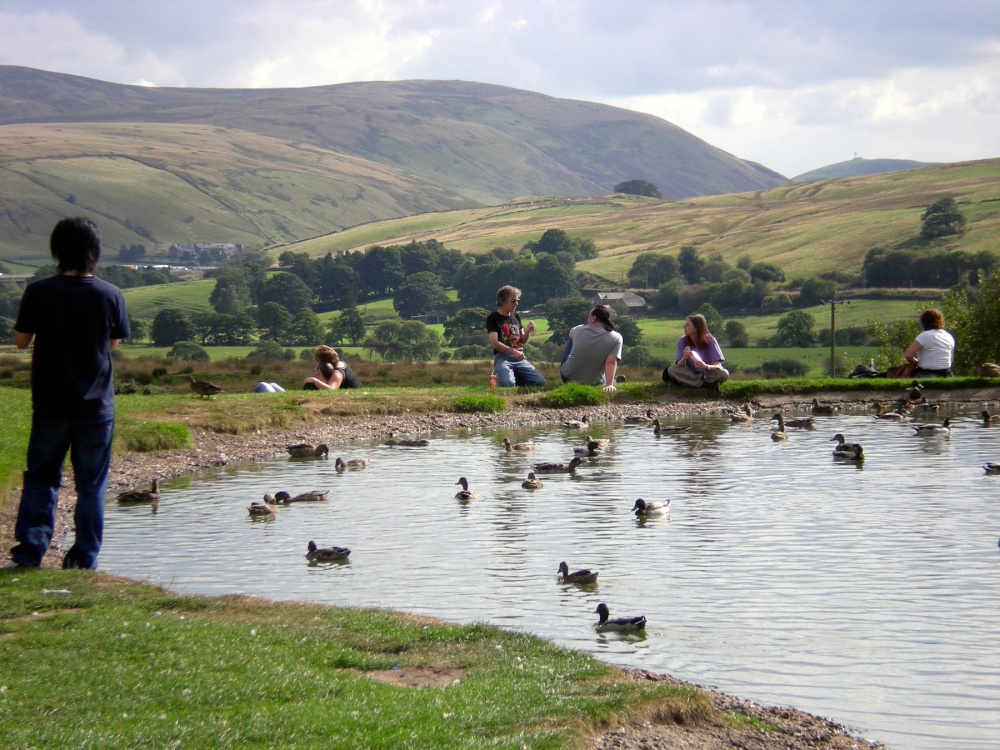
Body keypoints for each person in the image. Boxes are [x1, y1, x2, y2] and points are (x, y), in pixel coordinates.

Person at [6, 217, 129, 570]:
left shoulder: (39, 291)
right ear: (95, 251)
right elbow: (113, 343)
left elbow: (20, 341)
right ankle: (83, 559)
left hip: (51, 402)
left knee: (42, 478)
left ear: (56, 250)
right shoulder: (111, 294)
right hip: (97, 406)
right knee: (92, 485)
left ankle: (30, 552)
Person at [486, 285, 546, 387]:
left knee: (540, 382)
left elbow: (522, 340)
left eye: (518, 300)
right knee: (508, 384)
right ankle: (506, 375)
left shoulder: (516, 316)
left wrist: (528, 331)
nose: (516, 304)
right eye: (513, 301)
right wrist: (513, 351)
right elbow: (494, 343)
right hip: (503, 358)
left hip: (519, 358)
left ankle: (518, 377)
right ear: (503, 301)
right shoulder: (493, 318)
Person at [559, 305, 623, 392]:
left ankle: (612, 380)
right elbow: (611, 362)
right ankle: (613, 381)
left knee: (571, 339)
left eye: (589, 316)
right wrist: (609, 385)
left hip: (567, 377)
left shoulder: (577, 330)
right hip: (593, 382)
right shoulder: (616, 337)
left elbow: (571, 335)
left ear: (594, 318)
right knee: (602, 375)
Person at [663, 313, 729, 390]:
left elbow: (717, 365)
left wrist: (705, 366)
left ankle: (693, 384)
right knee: (671, 370)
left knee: (724, 373)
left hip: (708, 373)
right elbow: (679, 365)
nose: (684, 327)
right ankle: (705, 385)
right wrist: (684, 357)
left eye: (687, 325)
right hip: (690, 373)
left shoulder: (711, 341)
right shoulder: (682, 341)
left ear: (696, 328)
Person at [904, 308, 955, 378]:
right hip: (947, 374)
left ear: (924, 322)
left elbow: (908, 355)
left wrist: (916, 362)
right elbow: (950, 359)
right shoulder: (949, 336)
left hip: (926, 373)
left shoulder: (925, 335)